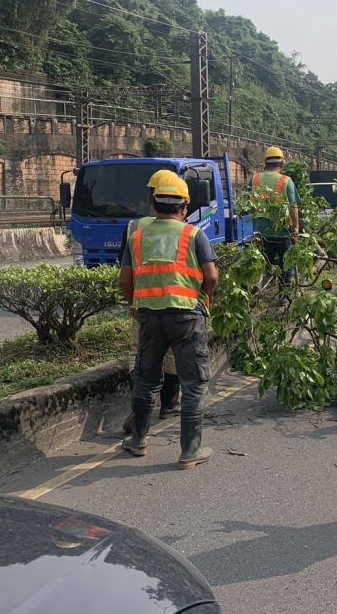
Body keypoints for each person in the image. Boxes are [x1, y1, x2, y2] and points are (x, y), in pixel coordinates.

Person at [120, 173, 219, 470]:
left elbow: (125, 279)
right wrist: (206, 297)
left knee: (146, 379)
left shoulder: (137, 236)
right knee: (195, 382)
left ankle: (138, 441)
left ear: (152, 202)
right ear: (185, 206)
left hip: (150, 316)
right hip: (187, 316)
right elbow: (211, 275)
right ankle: (190, 451)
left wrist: (134, 305)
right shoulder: (193, 235)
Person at [119, 169, 182, 433]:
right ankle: (169, 405)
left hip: (144, 306)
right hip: (178, 305)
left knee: (141, 358)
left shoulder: (135, 228)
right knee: (173, 356)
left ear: (151, 198)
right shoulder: (186, 230)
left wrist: (132, 302)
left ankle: (140, 413)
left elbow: (125, 272)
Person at [249, 146, 300, 286]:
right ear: (282, 163)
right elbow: (293, 207)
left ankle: (260, 289)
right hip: (282, 232)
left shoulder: (255, 179)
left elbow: (249, 204)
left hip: (261, 232)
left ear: (265, 163)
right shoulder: (286, 181)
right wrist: (296, 228)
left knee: (265, 264)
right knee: (287, 265)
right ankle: (284, 297)